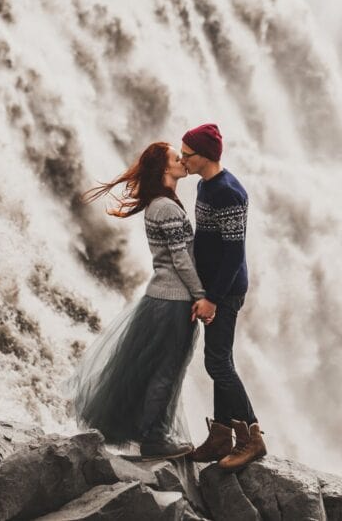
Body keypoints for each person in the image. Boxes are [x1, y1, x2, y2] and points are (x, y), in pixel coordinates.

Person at [67, 142, 206, 460]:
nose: (182, 161)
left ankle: (151, 432)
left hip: (163, 298)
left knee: (156, 368)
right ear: (164, 169)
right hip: (173, 300)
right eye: (176, 158)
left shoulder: (162, 203)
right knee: (166, 369)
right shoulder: (166, 207)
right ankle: (154, 438)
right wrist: (200, 296)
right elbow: (181, 260)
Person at [182, 123, 267, 470]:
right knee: (219, 360)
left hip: (226, 291)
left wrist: (213, 298)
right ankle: (220, 437)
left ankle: (252, 439)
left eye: (187, 155)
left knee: (218, 362)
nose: (181, 159)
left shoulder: (228, 193)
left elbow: (234, 254)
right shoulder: (205, 184)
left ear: (204, 157)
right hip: (213, 287)